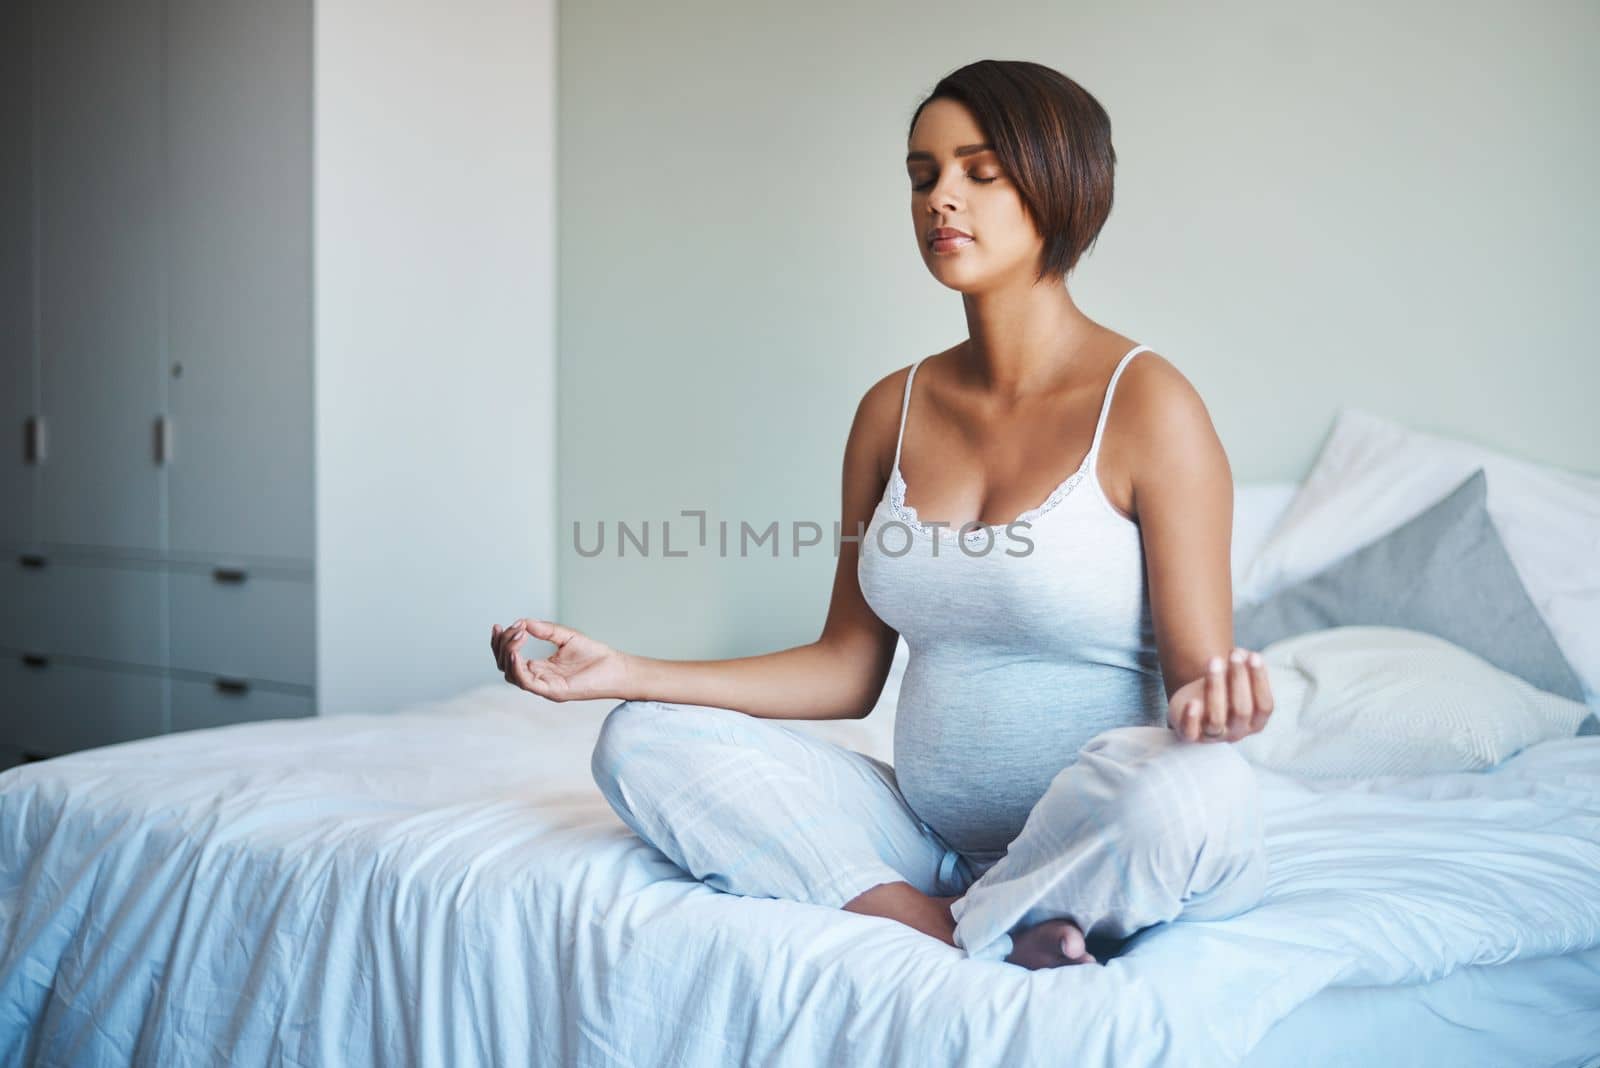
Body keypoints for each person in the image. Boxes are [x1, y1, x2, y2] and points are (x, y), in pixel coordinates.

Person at [489, 59, 1276, 970]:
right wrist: (625, 669)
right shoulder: (889, 410)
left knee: (1193, 796)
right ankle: (951, 923)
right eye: (922, 175)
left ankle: (1017, 908)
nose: (941, 199)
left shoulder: (1148, 405)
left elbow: (1193, 689)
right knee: (643, 737)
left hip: (1097, 831)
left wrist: (1222, 709)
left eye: (980, 173)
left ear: (1061, 187)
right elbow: (846, 669)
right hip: (924, 837)